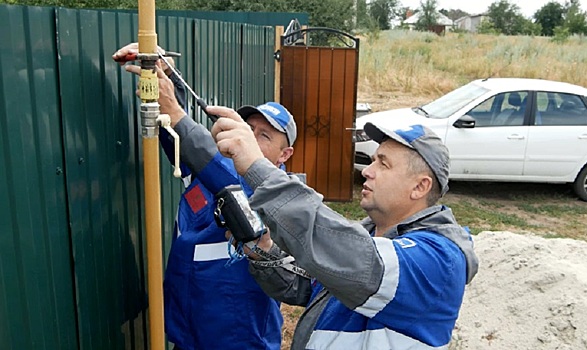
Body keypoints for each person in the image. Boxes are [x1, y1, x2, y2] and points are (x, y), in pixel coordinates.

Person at [208, 109, 479, 349]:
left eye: (383, 163)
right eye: (372, 160)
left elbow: (351, 257)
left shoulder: (439, 260)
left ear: (420, 187)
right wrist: (262, 250)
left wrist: (258, 168)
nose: (366, 171)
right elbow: (307, 286)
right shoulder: (372, 236)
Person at [112, 44, 297, 350]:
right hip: (186, 330)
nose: (249, 138)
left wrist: (176, 110)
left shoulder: (278, 194)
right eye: (247, 128)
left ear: (284, 154)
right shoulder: (209, 169)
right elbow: (183, 144)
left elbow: (223, 176)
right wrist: (165, 76)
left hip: (238, 340)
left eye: (264, 136)